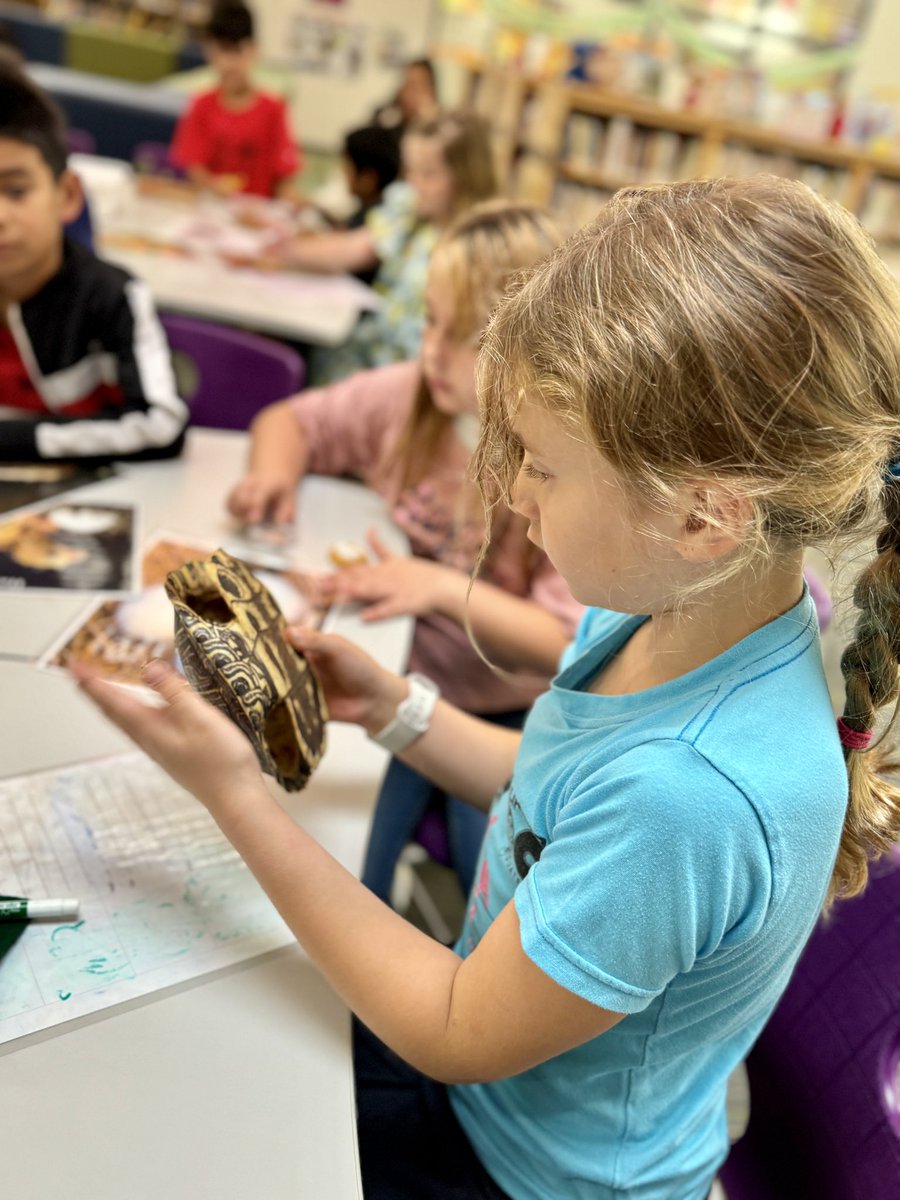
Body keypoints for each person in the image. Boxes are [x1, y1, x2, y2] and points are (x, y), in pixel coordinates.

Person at [73, 174, 900, 1200]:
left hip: (528, 1172)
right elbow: (554, 793)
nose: (513, 492)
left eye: (544, 467)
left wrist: (232, 790)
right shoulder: (678, 599)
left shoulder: (687, 792)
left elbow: (457, 1028)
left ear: (705, 516)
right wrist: (394, 706)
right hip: (492, 1096)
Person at [228, 199, 583, 903]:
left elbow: (566, 644)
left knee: (494, 879)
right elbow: (290, 420)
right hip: (382, 670)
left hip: (493, 710)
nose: (429, 350)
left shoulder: (559, 467)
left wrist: (438, 586)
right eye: (428, 319)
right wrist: (272, 472)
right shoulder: (409, 398)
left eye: (462, 335)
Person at [0, 63, 187, 464]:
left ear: (66, 195)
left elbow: (161, 424)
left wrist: (18, 440)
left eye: (16, 191)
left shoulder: (111, 297)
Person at [263, 111, 497, 385]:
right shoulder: (412, 211)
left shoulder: (479, 245)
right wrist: (284, 249)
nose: (415, 184)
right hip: (368, 350)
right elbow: (354, 248)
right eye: (410, 171)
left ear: (466, 176)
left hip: (406, 373)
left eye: (429, 174)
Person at [170, 0, 301, 200]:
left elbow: (286, 175)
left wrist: (290, 199)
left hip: (257, 212)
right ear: (209, 51)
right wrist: (213, 186)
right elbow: (193, 166)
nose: (228, 64)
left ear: (254, 50)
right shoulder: (201, 105)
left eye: (237, 52)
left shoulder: (273, 109)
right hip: (211, 208)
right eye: (222, 51)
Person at [372, 57, 440, 140]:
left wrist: (427, 122)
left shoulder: (440, 124)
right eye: (410, 84)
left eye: (420, 85)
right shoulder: (386, 118)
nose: (414, 92)